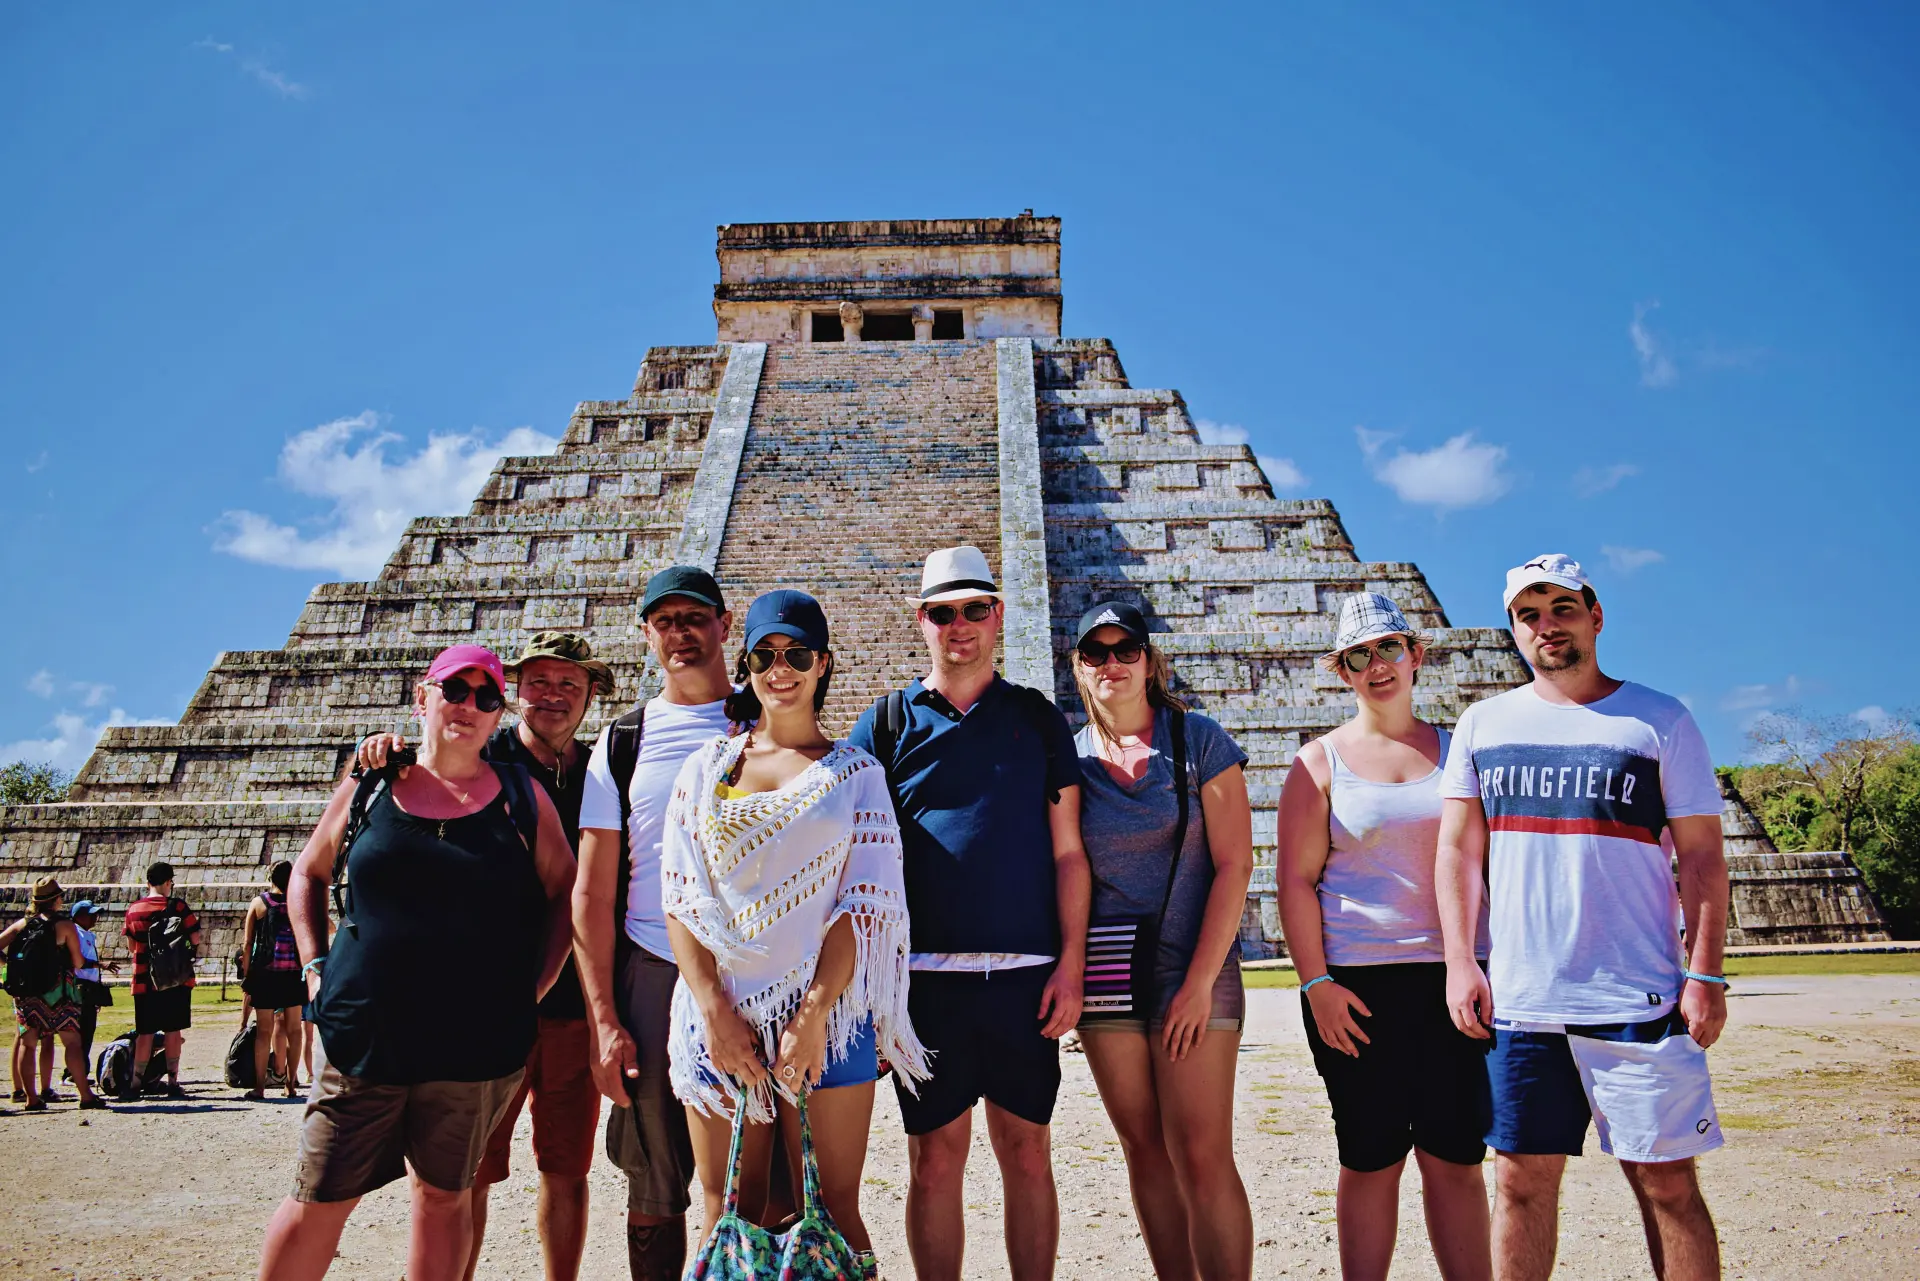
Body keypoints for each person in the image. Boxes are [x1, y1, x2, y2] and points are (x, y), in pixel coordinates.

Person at [1437, 555, 1730, 1281]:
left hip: (1638, 994)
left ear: (1596, 616)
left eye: (1562, 608)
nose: (1547, 626)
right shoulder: (1482, 723)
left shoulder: (1659, 720)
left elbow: (1701, 860)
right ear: (1511, 629)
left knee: (1666, 1183)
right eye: (1529, 614)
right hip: (1524, 1001)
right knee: (1518, 1181)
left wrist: (1706, 973)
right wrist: (1460, 960)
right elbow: (1457, 851)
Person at [257, 644, 579, 1281]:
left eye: (487, 697)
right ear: (422, 697)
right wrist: (315, 966)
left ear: (498, 715)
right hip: (363, 1032)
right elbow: (309, 873)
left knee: (443, 1197)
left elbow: (567, 893)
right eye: (454, 690)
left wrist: (534, 987)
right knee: (320, 1195)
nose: (469, 706)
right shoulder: (373, 781)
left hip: (476, 1045)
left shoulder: (522, 795)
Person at [662, 590, 928, 1280]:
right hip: (720, 1019)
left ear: (823, 664)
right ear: (745, 662)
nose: (780, 668)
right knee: (726, 1209)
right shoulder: (704, 770)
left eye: (797, 654)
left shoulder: (857, 775)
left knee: (835, 1207)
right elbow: (682, 900)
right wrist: (716, 1011)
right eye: (764, 654)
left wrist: (811, 1016)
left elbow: (861, 905)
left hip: (830, 1021)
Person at [847, 545, 1089, 1281]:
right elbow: (851, 862)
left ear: (999, 614)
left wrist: (1072, 964)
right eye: (943, 611)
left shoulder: (1037, 719)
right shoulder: (885, 723)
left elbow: (1070, 852)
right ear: (920, 619)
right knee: (932, 1163)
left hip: (1023, 979)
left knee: (1028, 1154)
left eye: (975, 608)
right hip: (926, 984)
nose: (960, 625)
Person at [359, 630, 615, 1281]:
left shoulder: (606, 771)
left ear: (591, 695)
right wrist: (386, 750)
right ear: (515, 692)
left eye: (570, 684)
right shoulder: (481, 754)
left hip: (572, 1006)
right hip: (480, 1010)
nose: (553, 696)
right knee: (464, 1171)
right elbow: (407, 783)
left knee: (567, 1167)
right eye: (539, 681)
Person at [1276, 592, 1494, 1281]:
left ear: (1416, 654)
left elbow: (1488, 864)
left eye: (1389, 648)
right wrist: (1317, 986)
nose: (1377, 666)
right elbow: (1293, 883)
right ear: (1342, 670)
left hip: (1455, 977)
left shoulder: (1464, 752)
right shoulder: (1319, 762)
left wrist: (1478, 968)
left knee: (1456, 1157)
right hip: (1356, 985)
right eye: (1359, 656)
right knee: (1369, 1157)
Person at [1067, 600, 1255, 1281]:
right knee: (1143, 1148)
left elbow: (1237, 862)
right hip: (1107, 966)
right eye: (1096, 652)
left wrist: (1201, 983)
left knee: (1202, 1152)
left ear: (1149, 661)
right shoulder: (1070, 757)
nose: (1111, 663)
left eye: (1126, 649)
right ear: (1078, 667)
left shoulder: (1198, 739)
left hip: (1193, 962)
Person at [575, 566, 738, 1280]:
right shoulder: (623, 740)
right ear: (646, 633)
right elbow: (591, 889)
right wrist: (604, 1017)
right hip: (651, 970)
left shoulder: (768, 718)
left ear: (725, 625)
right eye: (665, 620)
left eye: (694, 616)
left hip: (751, 971)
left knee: (761, 1163)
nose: (681, 632)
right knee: (653, 1172)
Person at [1, 878, 107, 1110]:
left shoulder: (23, 924)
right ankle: (85, 1095)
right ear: (56, 900)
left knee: (28, 1045)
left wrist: (8, 964)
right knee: (72, 1042)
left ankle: (31, 1098)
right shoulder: (64, 926)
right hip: (59, 992)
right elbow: (78, 962)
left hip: (27, 993)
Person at [122, 860, 202, 1100]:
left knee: (145, 1033)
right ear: (168, 882)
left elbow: (131, 946)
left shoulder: (134, 910)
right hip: (176, 978)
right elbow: (195, 938)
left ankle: (136, 1083)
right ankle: (173, 1082)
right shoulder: (178, 907)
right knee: (172, 1031)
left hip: (144, 979)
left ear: (147, 882)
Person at [240, 861, 305, 1100]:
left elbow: (248, 943)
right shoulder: (298, 902)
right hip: (292, 973)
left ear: (271, 878)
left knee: (263, 1032)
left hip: (265, 973)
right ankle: (290, 1084)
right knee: (295, 1030)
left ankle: (259, 1087)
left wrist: (247, 972)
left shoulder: (259, 903)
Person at [69, 899, 118, 1079]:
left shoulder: (87, 935)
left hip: (89, 988)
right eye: (91, 915)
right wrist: (100, 965)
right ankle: (74, 1072)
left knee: (87, 1031)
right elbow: (78, 962)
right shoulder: (76, 934)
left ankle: (79, 1071)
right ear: (80, 917)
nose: (95, 918)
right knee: (82, 1032)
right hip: (81, 989)